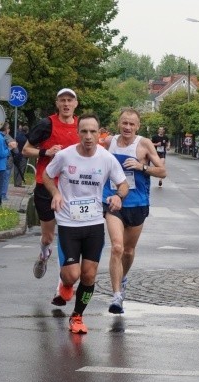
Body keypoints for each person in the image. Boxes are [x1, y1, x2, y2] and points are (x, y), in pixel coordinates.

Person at [41, 113, 128, 334]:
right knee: (72, 275)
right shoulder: (65, 156)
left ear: (99, 134)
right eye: (84, 131)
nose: (88, 136)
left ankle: (77, 316)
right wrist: (55, 193)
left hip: (94, 223)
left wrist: (118, 195)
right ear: (78, 133)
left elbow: (123, 184)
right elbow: (47, 176)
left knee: (89, 275)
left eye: (93, 132)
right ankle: (65, 284)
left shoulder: (106, 158)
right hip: (69, 222)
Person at [104, 108, 167, 314]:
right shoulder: (108, 143)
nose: (127, 127)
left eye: (132, 124)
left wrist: (142, 167)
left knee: (128, 251)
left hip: (137, 203)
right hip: (114, 202)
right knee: (117, 247)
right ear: (118, 124)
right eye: (124, 123)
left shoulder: (144, 144)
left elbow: (163, 171)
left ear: (138, 126)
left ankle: (122, 278)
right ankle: (116, 296)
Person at [22, 88, 80, 279]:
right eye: (62, 100)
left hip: (72, 187)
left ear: (75, 104)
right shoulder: (46, 124)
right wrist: (45, 152)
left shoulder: (82, 127)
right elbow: (25, 150)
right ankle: (44, 252)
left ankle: (66, 279)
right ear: (57, 104)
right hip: (45, 185)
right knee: (48, 236)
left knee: (69, 236)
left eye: (69, 100)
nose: (66, 104)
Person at [0, 122, 18, 201]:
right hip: (8, 160)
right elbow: (16, 150)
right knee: (5, 178)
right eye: (8, 128)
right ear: (6, 129)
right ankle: (3, 194)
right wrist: (15, 145)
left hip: (0, 161)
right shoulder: (7, 137)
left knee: (0, 178)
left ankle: (0, 193)